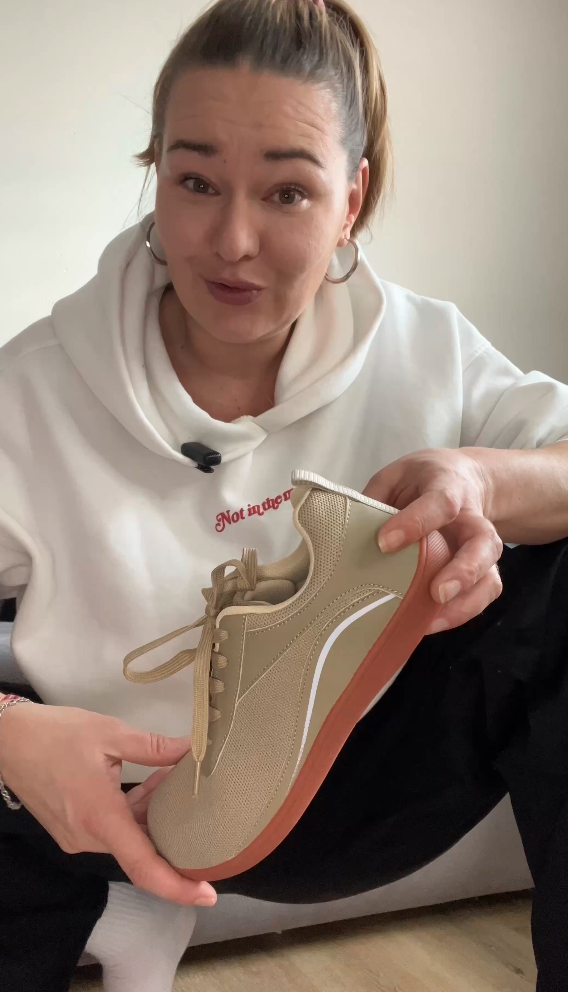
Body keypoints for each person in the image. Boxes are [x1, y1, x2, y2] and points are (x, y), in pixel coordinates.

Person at [1, 0, 568, 989]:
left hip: (356, 780)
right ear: (155, 172)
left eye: (288, 193)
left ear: (352, 199)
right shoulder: (30, 390)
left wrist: (481, 477)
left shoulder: (424, 346)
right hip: (109, 799)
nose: (231, 239)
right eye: (195, 181)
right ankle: (115, 897)